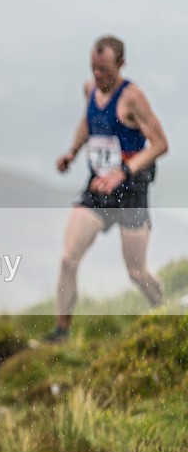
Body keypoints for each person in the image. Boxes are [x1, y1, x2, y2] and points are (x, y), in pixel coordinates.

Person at [49, 35, 168, 342]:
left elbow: (160, 144)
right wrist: (71, 153)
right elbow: (87, 124)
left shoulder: (133, 98)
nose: (98, 76)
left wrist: (122, 171)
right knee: (67, 258)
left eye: (104, 69)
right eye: (93, 68)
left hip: (130, 193)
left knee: (137, 273)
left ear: (121, 65)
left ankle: (166, 314)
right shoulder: (90, 90)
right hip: (98, 190)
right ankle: (61, 331)